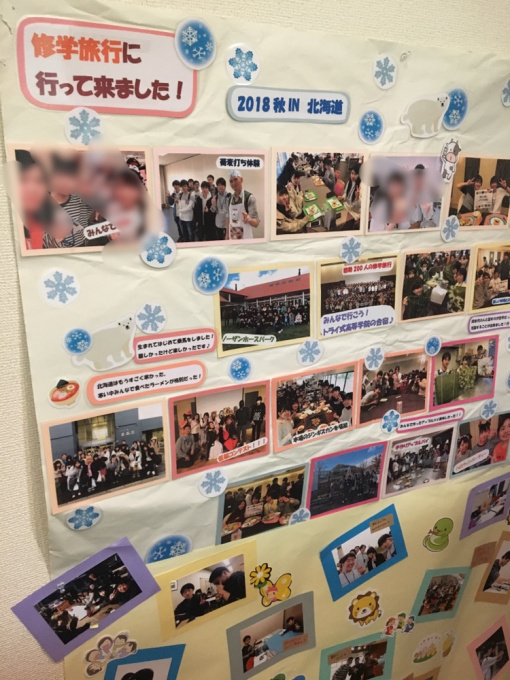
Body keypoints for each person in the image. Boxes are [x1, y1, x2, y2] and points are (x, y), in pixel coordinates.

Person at [226, 169, 260, 239]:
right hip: (232, 238)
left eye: (235, 179)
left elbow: (256, 223)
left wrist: (249, 220)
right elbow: (228, 217)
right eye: (231, 181)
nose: (233, 183)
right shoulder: (230, 199)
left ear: (241, 180)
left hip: (245, 239)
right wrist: (227, 234)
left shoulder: (249, 198)